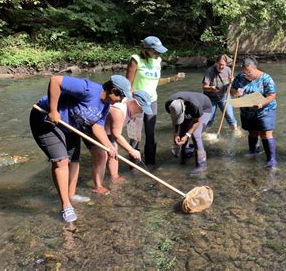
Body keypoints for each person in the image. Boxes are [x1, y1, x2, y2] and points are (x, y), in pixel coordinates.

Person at [29, 75, 132, 222]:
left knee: (74, 160)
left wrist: (109, 147)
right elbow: (55, 80)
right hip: (45, 119)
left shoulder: (105, 106)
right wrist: (53, 110)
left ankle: (71, 195)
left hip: (69, 126)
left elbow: (97, 127)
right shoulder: (88, 89)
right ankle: (66, 206)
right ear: (113, 90)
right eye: (121, 97)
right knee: (61, 161)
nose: (121, 101)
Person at [126, 36, 185, 166]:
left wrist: (172, 78)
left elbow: (155, 81)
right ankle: (134, 165)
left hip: (152, 101)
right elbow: (127, 85)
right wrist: (130, 102)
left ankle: (151, 164)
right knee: (135, 135)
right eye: (155, 51)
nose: (158, 53)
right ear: (145, 49)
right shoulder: (135, 60)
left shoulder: (157, 60)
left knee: (150, 133)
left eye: (159, 51)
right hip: (136, 101)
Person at [85, 90, 153, 195]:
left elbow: (115, 134)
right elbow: (116, 135)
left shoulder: (131, 109)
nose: (141, 112)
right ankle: (98, 187)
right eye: (141, 108)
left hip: (106, 129)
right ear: (134, 102)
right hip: (92, 126)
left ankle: (114, 177)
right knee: (101, 156)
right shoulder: (119, 111)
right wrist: (131, 150)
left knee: (114, 150)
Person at [231, 57, 278, 168]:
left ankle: (271, 160)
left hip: (264, 110)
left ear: (255, 68)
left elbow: (272, 95)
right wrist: (235, 92)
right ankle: (253, 153)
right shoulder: (240, 77)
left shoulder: (266, 78)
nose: (246, 75)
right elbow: (232, 90)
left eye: (249, 72)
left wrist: (261, 104)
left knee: (265, 133)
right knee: (252, 132)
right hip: (247, 110)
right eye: (245, 72)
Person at [165, 92, 212, 173]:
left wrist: (187, 135)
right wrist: (175, 134)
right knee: (182, 132)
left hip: (204, 107)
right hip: (188, 107)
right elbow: (175, 119)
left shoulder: (194, 105)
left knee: (195, 134)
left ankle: (201, 165)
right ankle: (186, 152)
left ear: (184, 108)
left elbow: (197, 121)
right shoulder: (169, 104)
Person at [202, 54, 238, 131]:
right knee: (209, 118)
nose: (221, 67)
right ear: (216, 63)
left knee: (230, 115)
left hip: (224, 95)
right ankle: (206, 134)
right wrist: (211, 88)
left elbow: (232, 86)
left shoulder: (228, 70)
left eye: (223, 65)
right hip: (210, 97)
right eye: (220, 64)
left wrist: (232, 81)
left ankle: (235, 131)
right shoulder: (210, 71)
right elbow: (204, 87)